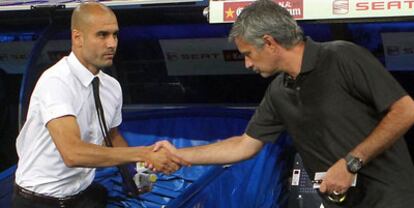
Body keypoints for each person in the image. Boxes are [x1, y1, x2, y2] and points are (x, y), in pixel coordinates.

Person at [154, 0, 414, 207]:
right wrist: (179, 154)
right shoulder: (279, 91)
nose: (247, 64)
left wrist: (350, 163)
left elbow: (406, 110)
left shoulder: (341, 56)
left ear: (269, 42)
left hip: (391, 198)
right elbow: (244, 145)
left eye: (248, 54)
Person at [12, 2, 187, 208]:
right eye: (102, 35)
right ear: (77, 38)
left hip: (82, 195)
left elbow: (111, 136)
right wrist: (144, 153)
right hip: (40, 202)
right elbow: (72, 153)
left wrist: (139, 175)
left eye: (115, 35)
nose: (112, 43)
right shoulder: (56, 82)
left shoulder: (111, 87)